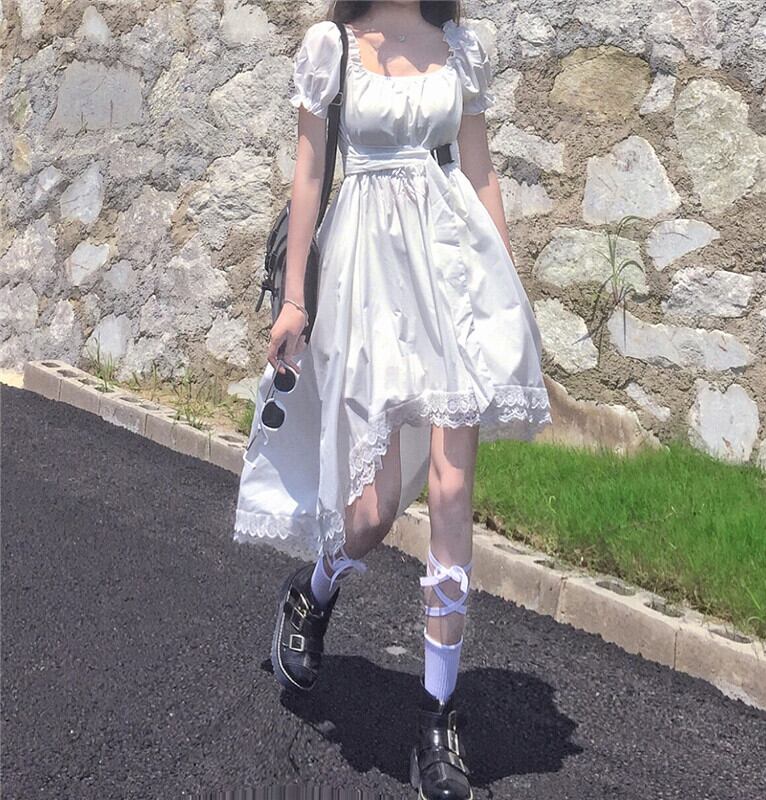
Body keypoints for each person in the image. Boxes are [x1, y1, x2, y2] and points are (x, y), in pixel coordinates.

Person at [234, 1, 552, 796]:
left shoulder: (459, 46)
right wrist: (295, 301)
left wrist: (506, 291)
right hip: (365, 281)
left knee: (449, 491)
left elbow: (478, 171)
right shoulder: (332, 48)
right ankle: (312, 593)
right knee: (371, 513)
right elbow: (311, 174)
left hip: (451, 274)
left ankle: (438, 718)